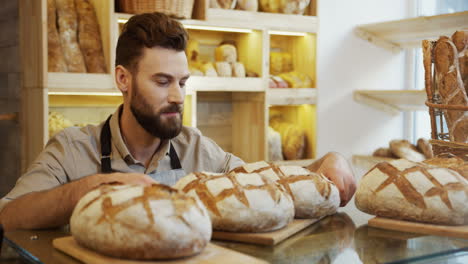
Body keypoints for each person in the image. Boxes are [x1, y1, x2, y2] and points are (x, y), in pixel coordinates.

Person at [0, 12, 356, 231]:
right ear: (123, 80)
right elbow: (10, 215)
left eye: (183, 82)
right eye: (162, 82)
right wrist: (86, 189)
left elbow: (264, 185)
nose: (177, 96)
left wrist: (325, 163)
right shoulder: (72, 148)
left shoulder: (197, 149)